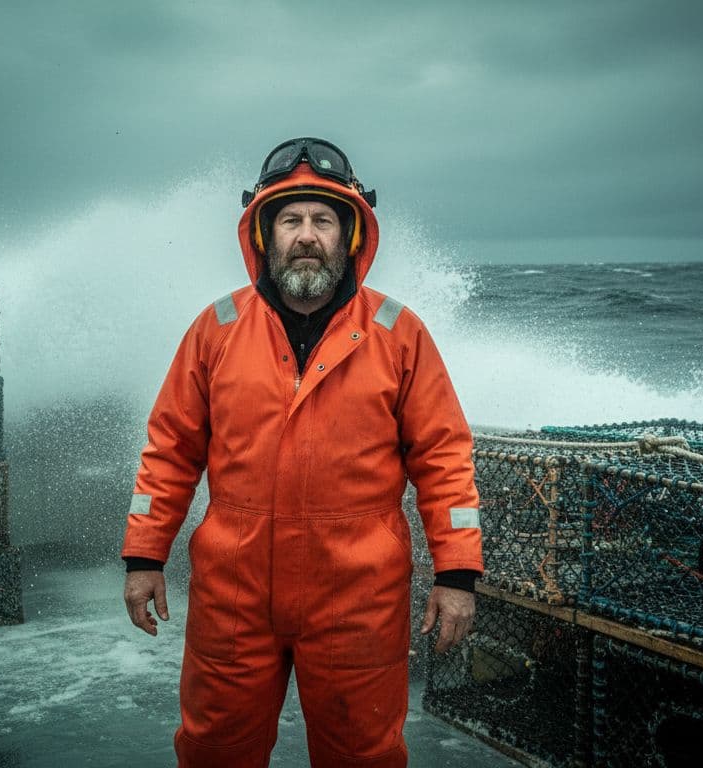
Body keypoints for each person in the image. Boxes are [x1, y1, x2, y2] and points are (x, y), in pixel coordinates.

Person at [121, 137, 482, 768]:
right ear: (265, 236)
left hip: (359, 597)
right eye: (290, 220)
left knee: (364, 756)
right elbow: (170, 451)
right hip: (234, 592)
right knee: (213, 750)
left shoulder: (399, 334)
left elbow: (444, 460)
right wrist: (144, 554)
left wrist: (456, 576)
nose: (306, 234)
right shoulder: (217, 328)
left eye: (323, 220)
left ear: (350, 236)